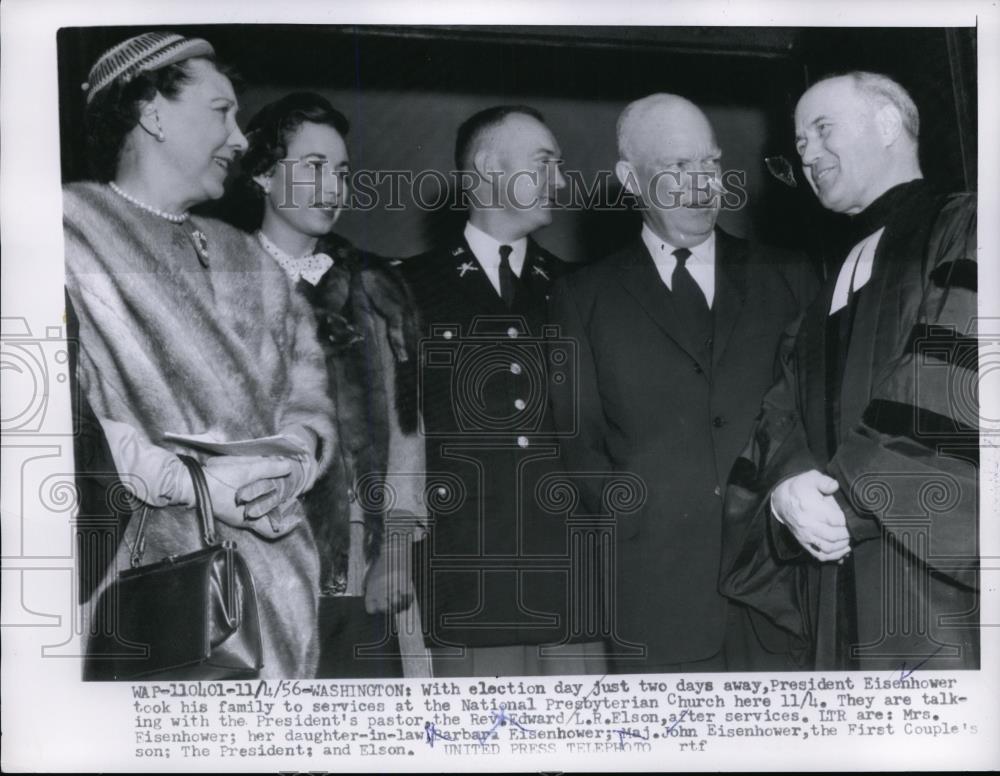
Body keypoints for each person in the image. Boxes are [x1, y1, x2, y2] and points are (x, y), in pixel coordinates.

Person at [66, 32, 336, 678]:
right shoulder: (68, 236)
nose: (242, 138)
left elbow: (311, 398)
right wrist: (195, 485)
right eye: (221, 111)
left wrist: (291, 470)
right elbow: (62, 433)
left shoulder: (250, 256)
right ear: (152, 113)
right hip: (156, 592)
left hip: (285, 596)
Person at [547, 94, 817, 673]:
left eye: (711, 164)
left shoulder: (791, 275)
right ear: (630, 179)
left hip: (782, 591)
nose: (701, 186)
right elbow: (581, 446)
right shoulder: (582, 298)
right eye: (675, 168)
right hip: (653, 600)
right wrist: (637, 529)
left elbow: (816, 418)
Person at [721, 72, 979, 670]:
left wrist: (855, 500)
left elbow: (960, 377)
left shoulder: (966, 225)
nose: (806, 152)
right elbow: (784, 415)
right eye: (799, 142)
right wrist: (786, 496)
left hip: (930, 573)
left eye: (822, 128)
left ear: (888, 124)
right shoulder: (830, 279)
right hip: (838, 575)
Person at [403, 105, 604, 676]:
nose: (560, 182)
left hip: (570, 587)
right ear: (490, 167)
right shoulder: (405, 289)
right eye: (545, 164)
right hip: (465, 589)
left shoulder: (582, 290)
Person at [233, 92, 429, 677]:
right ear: (266, 173)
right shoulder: (218, 286)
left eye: (341, 172)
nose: (333, 188)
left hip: (362, 572)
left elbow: (407, 430)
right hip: (252, 573)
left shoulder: (375, 288)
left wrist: (394, 551)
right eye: (313, 168)